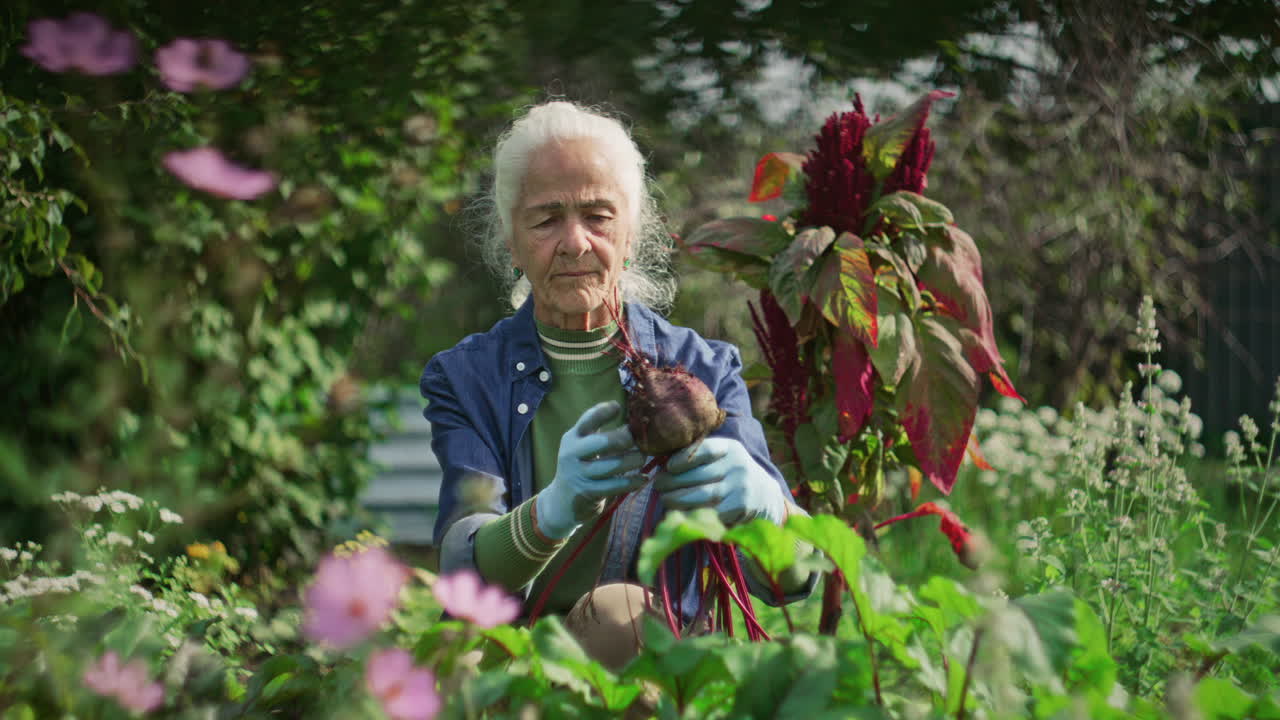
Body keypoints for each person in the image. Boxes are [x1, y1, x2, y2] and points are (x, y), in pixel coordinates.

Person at [420, 101, 815, 670]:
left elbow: (790, 580)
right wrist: (551, 512)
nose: (576, 242)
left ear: (631, 233)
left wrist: (767, 509)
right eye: (546, 218)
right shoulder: (466, 378)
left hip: (663, 661)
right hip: (516, 665)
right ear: (511, 239)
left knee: (619, 615)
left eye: (598, 215)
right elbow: (462, 571)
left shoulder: (702, 369)